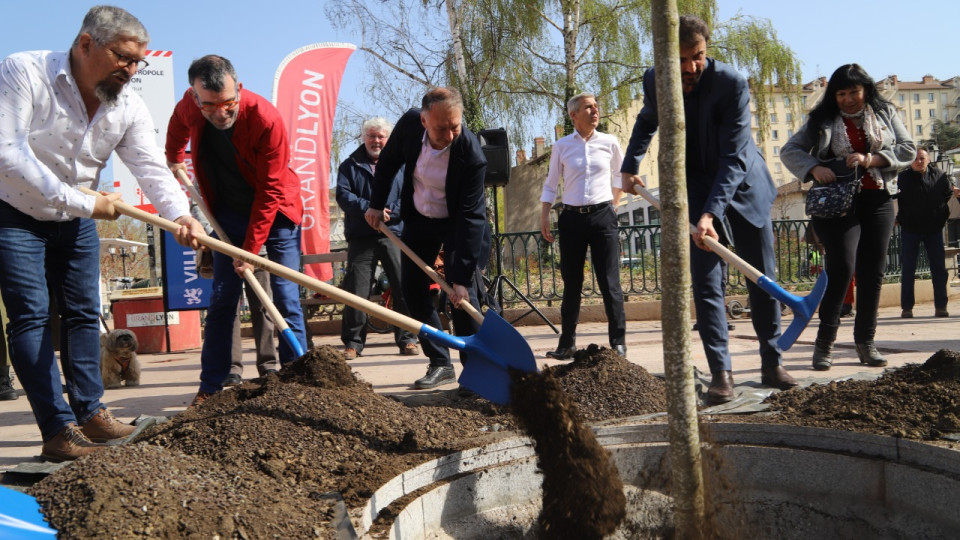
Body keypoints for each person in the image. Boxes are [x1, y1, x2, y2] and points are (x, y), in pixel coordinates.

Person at [0, 6, 204, 461]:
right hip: (13, 212)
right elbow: (7, 153)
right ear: (86, 44)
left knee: (83, 314)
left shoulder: (127, 104)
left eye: (137, 62)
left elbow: (150, 167)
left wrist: (181, 216)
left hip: (76, 219)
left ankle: (91, 414)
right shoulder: (23, 71)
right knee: (32, 316)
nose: (131, 71)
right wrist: (86, 202)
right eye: (122, 57)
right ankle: (57, 431)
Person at [620, 15, 796, 404]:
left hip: (744, 186)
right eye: (680, 59)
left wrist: (710, 215)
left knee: (761, 276)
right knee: (707, 283)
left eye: (697, 57)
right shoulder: (655, 80)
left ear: (706, 50)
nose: (689, 68)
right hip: (695, 187)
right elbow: (647, 119)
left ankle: (772, 361)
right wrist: (630, 165)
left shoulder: (731, 83)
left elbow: (733, 157)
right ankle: (722, 373)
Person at [167, 55, 307, 405]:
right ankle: (211, 386)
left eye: (228, 103)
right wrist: (171, 156)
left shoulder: (265, 119)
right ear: (196, 98)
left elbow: (270, 191)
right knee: (222, 299)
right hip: (227, 214)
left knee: (286, 296)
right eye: (210, 105)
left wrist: (251, 249)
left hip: (276, 214)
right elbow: (176, 126)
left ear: (239, 89)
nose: (220, 112)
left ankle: (300, 380)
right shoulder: (189, 105)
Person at [782, 63, 916, 371]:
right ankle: (823, 346)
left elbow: (908, 149)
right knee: (841, 267)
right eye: (841, 93)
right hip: (836, 203)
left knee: (873, 272)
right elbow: (790, 150)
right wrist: (814, 168)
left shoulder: (886, 114)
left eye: (854, 91)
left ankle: (866, 343)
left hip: (878, 199)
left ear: (865, 90)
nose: (848, 99)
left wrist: (873, 159)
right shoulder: (821, 119)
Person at [364, 87, 487, 390]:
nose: (449, 135)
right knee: (413, 289)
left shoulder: (471, 154)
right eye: (441, 128)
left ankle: (474, 374)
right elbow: (389, 163)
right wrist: (376, 205)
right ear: (423, 121)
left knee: (463, 296)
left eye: (455, 126)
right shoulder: (407, 125)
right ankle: (440, 363)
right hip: (419, 217)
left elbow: (471, 219)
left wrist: (459, 278)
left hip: (456, 223)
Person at [540, 93, 627, 359]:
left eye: (596, 107)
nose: (595, 111)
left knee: (609, 281)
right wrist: (544, 216)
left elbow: (621, 175)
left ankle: (618, 343)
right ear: (573, 115)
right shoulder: (562, 146)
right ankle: (566, 344)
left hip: (603, 217)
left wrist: (614, 204)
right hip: (571, 219)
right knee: (572, 282)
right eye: (588, 107)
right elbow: (551, 184)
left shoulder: (609, 142)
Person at [337, 117, 419, 359]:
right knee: (356, 291)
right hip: (362, 236)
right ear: (364, 137)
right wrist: (370, 209)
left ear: (388, 139)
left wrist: (388, 213)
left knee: (402, 287)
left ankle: (407, 339)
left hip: (394, 233)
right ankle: (353, 343)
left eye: (381, 136)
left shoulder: (402, 164)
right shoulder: (349, 165)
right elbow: (343, 196)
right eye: (372, 135)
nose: (376, 140)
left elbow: (411, 194)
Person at [192, 202, 278, 386]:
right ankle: (232, 369)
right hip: (224, 247)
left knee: (263, 306)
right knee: (227, 308)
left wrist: (255, 242)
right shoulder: (209, 173)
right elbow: (197, 202)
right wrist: (212, 236)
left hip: (257, 250)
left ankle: (268, 364)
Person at [897, 148, 953, 319]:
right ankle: (907, 308)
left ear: (928, 159)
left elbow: (948, 195)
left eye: (922, 158)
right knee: (908, 270)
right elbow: (894, 198)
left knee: (939, 270)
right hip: (910, 230)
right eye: (915, 159)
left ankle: (941, 306)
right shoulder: (903, 178)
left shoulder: (941, 176)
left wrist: (941, 216)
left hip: (934, 230)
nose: (918, 161)